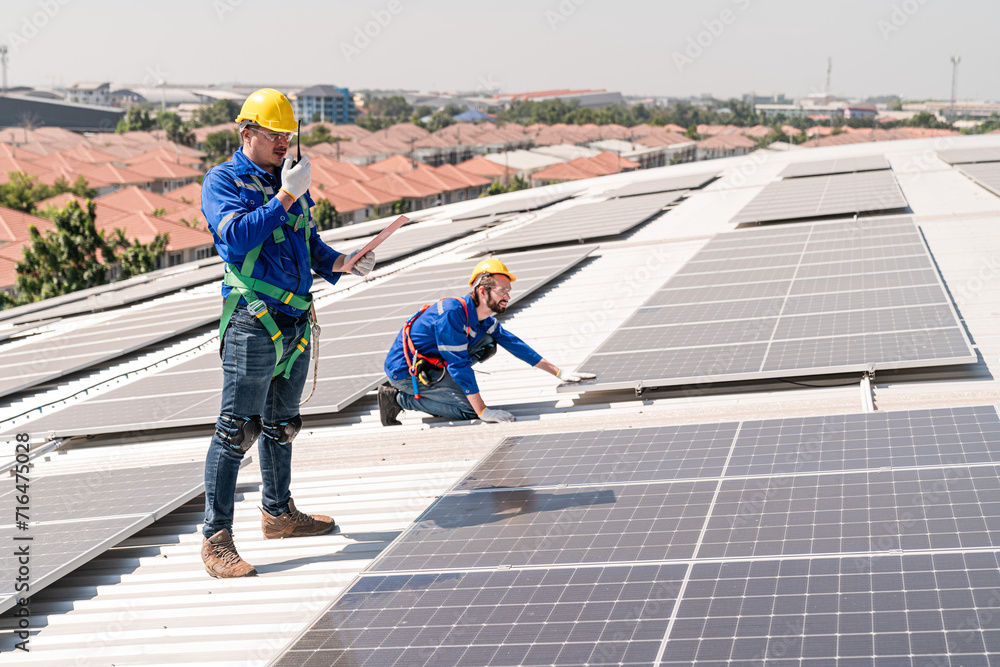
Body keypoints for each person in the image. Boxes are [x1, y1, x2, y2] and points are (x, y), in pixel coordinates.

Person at [199, 88, 375, 578]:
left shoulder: (288, 181)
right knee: (236, 429)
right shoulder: (223, 181)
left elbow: (306, 242)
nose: (282, 143)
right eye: (273, 134)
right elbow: (235, 237)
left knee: (282, 423)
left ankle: (278, 514)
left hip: (295, 319)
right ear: (247, 133)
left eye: (287, 135)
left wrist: (342, 263)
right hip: (253, 320)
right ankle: (216, 540)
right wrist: (286, 194)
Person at [379, 258, 595, 426]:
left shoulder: (482, 319)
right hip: (405, 372)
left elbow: (513, 343)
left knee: (490, 340)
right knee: (469, 411)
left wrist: (558, 372)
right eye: (502, 291)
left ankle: (442, 391)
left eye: (508, 292)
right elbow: (459, 364)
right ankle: (397, 398)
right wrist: (483, 411)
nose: (507, 297)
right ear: (482, 291)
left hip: (433, 363)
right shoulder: (452, 314)